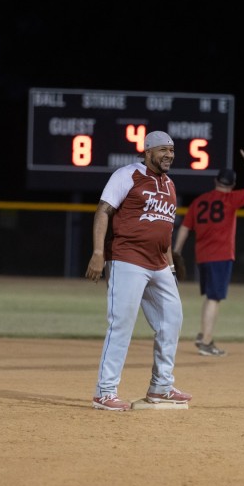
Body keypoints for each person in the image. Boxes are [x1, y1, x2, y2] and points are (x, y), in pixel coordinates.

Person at [85, 131, 191, 411]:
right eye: (163, 150)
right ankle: (104, 392)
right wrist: (98, 252)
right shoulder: (128, 174)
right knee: (121, 324)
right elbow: (103, 211)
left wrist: (169, 266)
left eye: (172, 150)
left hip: (159, 264)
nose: (169, 154)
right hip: (127, 259)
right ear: (148, 151)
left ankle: (161, 387)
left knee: (173, 318)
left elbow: (165, 228)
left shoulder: (169, 184)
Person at [173, 149, 244, 357]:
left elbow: (185, 227)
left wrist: (177, 251)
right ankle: (205, 342)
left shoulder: (199, 202)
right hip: (221, 256)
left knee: (210, 297)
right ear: (231, 185)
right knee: (215, 298)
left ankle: (204, 335)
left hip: (202, 257)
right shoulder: (231, 199)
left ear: (216, 181)